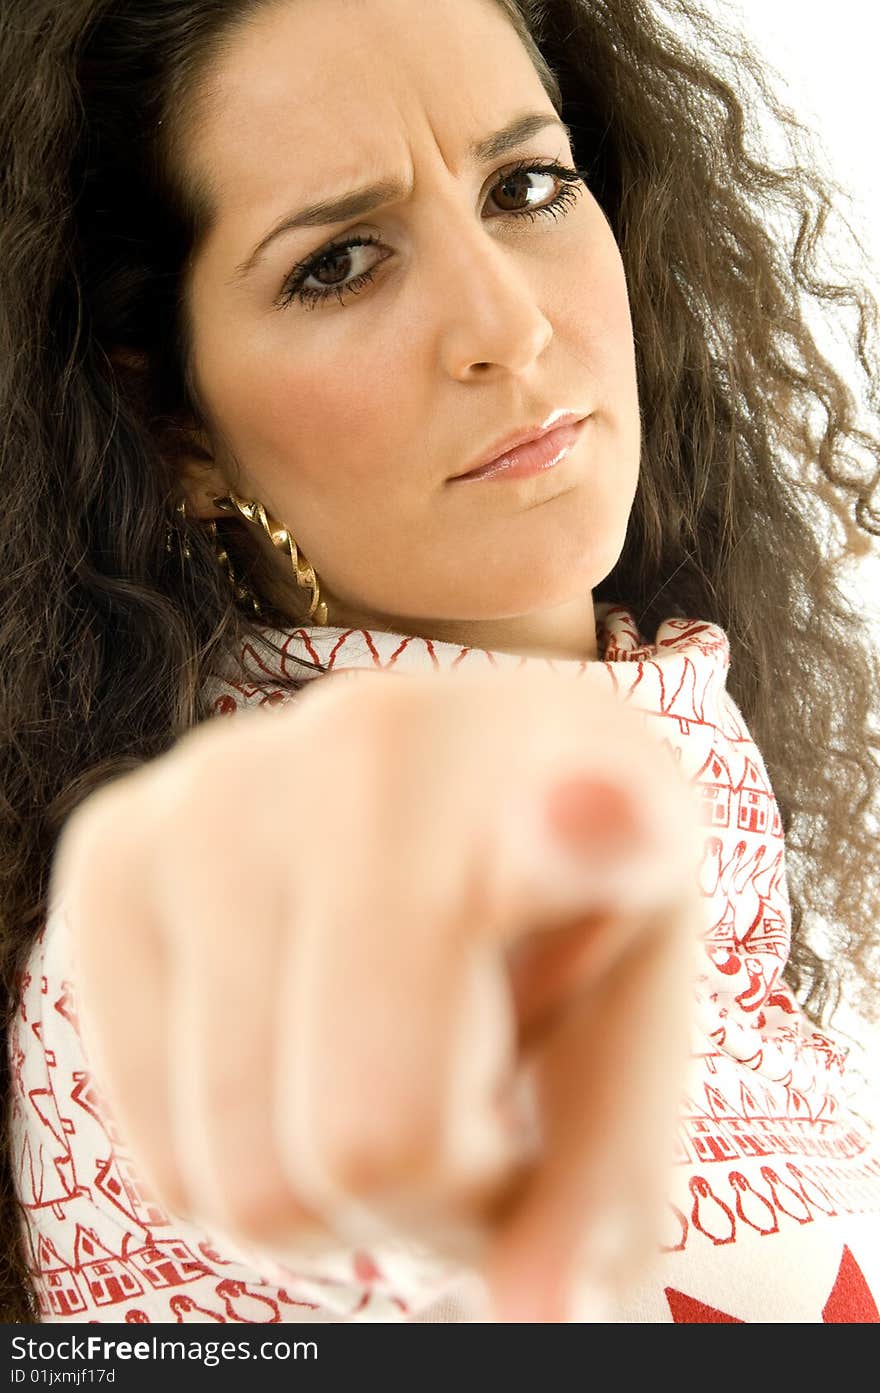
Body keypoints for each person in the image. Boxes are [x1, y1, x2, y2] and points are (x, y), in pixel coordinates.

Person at [1, 0, 879, 1325]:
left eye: (527, 185)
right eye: (341, 262)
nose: (506, 323)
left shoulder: (692, 843)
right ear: (173, 425)